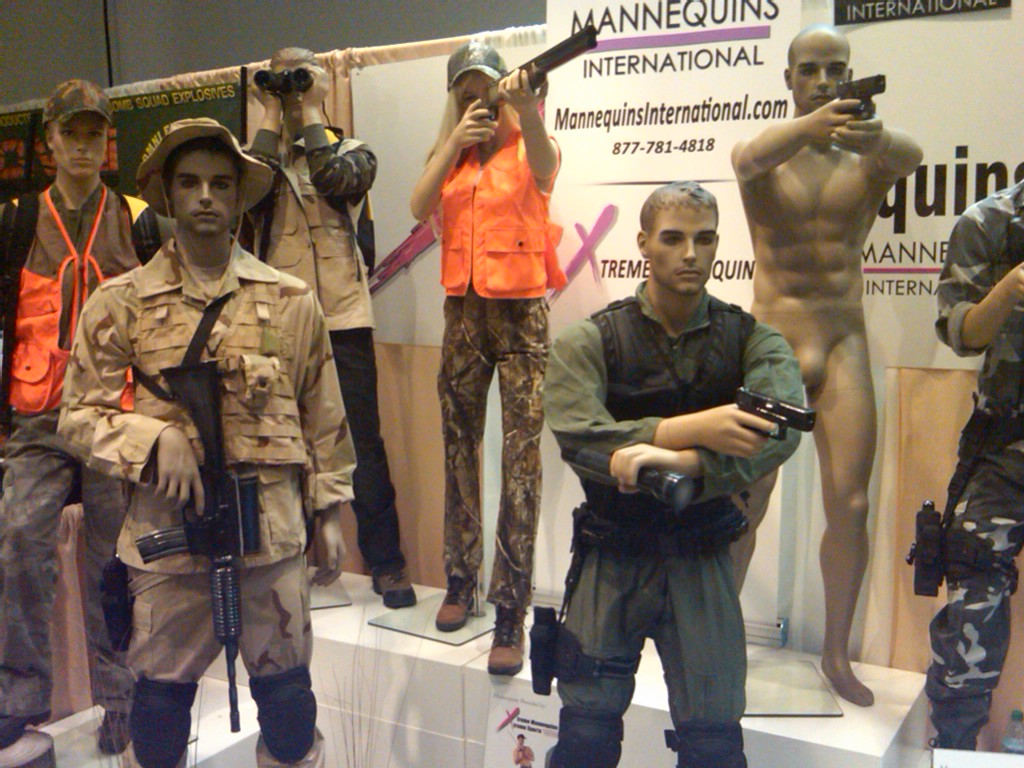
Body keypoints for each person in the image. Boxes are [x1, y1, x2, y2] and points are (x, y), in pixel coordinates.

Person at [57, 117, 354, 768]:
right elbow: (76, 415)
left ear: (239, 195)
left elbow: (322, 411)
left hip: (270, 537)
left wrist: (330, 509)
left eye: (221, 184)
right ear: (166, 193)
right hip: (169, 538)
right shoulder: (121, 303)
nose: (205, 197)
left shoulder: (291, 299)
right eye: (189, 183)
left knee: (290, 713)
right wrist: (149, 438)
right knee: (158, 721)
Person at [543, 182, 804, 768]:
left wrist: (688, 465)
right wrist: (692, 428)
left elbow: (781, 429)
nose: (690, 253)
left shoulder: (750, 339)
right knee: (585, 739)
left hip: (701, 559)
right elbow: (578, 434)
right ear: (643, 244)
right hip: (612, 557)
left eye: (704, 239)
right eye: (673, 238)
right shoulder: (593, 339)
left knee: (713, 745)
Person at [730, 23, 923, 706]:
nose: (822, 81)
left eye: (834, 69)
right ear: (788, 78)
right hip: (774, 342)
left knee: (851, 504)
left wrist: (873, 135)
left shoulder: (866, 156)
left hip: (843, 340)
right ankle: (719, 640)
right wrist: (809, 128)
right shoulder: (769, 153)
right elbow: (745, 159)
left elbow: (911, 155)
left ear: (849, 75)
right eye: (809, 69)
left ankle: (837, 654)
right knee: (746, 499)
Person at [0, 79, 161, 754]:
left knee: (113, 560)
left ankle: (120, 698)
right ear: (50, 141)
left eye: (95, 133)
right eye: (72, 132)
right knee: (16, 539)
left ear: (107, 142)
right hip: (36, 420)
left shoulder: (137, 219)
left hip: (111, 415)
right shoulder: (15, 221)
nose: (84, 146)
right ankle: (19, 698)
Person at [409, 40, 565, 675]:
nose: (478, 100)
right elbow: (417, 207)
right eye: (465, 91)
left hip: (521, 317)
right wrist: (453, 141)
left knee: (521, 462)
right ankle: (461, 577)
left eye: (486, 89)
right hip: (463, 316)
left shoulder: (529, 144)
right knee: (458, 450)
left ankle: (510, 609)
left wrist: (525, 111)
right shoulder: (452, 158)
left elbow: (548, 168)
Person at [247, 46, 415, 609]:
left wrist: (312, 110)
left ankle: (386, 563)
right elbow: (248, 195)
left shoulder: (350, 151)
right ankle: (291, 560)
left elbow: (336, 178)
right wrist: (272, 114)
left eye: (301, 78)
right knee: (282, 444)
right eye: (282, 80)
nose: (292, 90)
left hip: (344, 319)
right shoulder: (257, 160)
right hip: (278, 321)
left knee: (362, 443)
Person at [926, 180, 1024, 750]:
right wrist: (1009, 288)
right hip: (1007, 443)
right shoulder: (991, 221)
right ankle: (956, 748)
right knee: (972, 580)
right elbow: (960, 333)